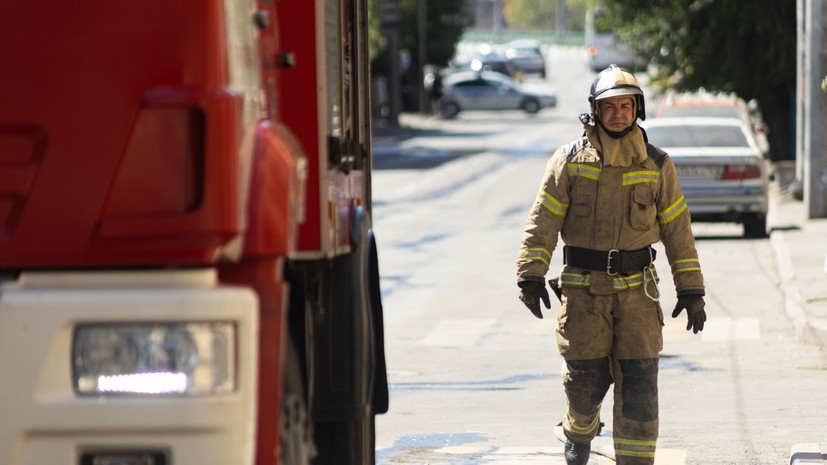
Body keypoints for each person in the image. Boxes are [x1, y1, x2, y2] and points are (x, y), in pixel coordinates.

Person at [515, 64, 707, 465]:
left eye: (626, 106)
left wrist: (691, 290)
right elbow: (543, 220)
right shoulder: (569, 160)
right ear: (595, 111)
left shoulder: (657, 164)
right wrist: (530, 275)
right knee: (584, 385)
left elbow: (678, 230)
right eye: (610, 106)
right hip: (584, 294)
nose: (618, 113)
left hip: (639, 297)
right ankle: (578, 430)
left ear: (637, 110)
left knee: (639, 388)